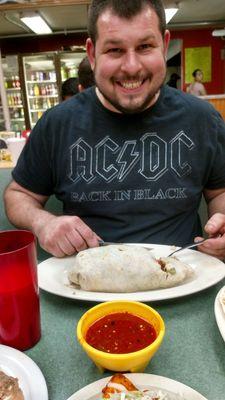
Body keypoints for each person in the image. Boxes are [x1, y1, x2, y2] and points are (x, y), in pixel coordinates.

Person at [3, 0, 225, 260]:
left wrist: (221, 225)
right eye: (115, 50)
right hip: (86, 283)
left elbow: (219, 192)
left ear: (164, 46)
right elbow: (18, 195)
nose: (131, 67)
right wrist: (43, 223)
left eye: (145, 47)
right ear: (92, 53)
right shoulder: (57, 123)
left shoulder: (202, 119)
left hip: (184, 274)